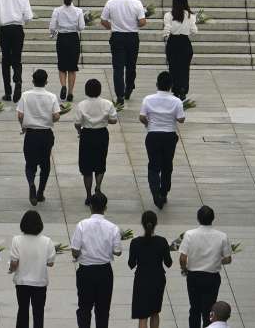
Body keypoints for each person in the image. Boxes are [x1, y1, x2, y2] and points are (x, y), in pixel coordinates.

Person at [70, 193, 122, 328]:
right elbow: (118, 252)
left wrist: (79, 255)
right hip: (104, 272)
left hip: (86, 271)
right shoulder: (113, 228)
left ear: (90, 207)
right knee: (103, 310)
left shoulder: (82, 225)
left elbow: (75, 250)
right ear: (105, 208)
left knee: (84, 308)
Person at [178, 206, 233, 328]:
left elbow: (182, 258)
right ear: (213, 218)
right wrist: (216, 261)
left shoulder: (189, 234)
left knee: (194, 308)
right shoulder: (222, 236)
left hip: (194, 277)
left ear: (198, 218)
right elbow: (228, 259)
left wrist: (184, 269)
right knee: (209, 309)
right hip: (212, 277)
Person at [140, 72, 185, 208]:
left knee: (153, 165)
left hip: (153, 135)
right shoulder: (176, 101)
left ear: (157, 84)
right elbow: (181, 119)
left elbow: (142, 117)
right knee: (167, 165)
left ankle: (155, 192)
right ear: (171, 86)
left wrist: (148, 124)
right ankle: (164, 192)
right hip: (169, 136)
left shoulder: (148, 99)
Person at [101, 0, 147, 104]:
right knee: (131, 65)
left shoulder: (111, 2)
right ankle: (129, 88)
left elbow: (103, 20)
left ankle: (119, 95)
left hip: (117, 36)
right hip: (132, 37)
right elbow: (142, 22)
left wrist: (113, 26)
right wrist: (134, 24)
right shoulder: (137, 3)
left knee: (118, 67)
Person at [17, 69, 61, 206]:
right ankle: (40, 192)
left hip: (31, 134)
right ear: (46, 81)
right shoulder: (52, 97)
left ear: (33, 81)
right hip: (46, 134)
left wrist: (23, 126)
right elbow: (56, 116)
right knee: (45, 165)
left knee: (30, 164)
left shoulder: (25, 95)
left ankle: (31, 183)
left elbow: (20, 115)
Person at [9, 210, 56, 328]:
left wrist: (11, 268)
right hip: (39, 282)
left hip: (22, 282)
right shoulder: (47, 241)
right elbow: (50, 263)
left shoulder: (17, 240)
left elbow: (14, 263)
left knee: (23, 311)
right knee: (38, 313)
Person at [74, 79, 117, 203]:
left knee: (86, 167)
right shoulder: (107, 104)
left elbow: (77, 123)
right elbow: (114, 120)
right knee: (100, 163)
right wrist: (103, 120)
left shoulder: (82, 105)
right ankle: (98, 187)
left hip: (87, 135)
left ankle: (88, 195)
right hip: (102, 134)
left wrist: (79, 131)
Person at [129, 210, 172, 328]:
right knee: (154, 312)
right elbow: (168, 263)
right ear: (156, 223)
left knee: (143, 315)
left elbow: (131, 264)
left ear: (142, 224)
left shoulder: (135, 242)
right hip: (157, 279)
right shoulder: (162, 241)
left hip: (141, 279)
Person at [49, 0, 85, 102]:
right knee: (72, 68)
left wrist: (53, 33)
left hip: (62, 38)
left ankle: (63, 86)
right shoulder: (78, 11)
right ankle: (70, 92)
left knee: (62, 66)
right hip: (73, 38)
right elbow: (81, 27)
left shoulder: (57, 10)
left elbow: (52, 27)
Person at [163, 0, 197, 100]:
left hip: (173, 43)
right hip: (185, 43)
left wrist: (166, 36)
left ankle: (175, 89)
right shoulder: (191, 16)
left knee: (173, 68)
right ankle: (183, 89)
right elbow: (194, 31)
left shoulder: (169, 15)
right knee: (184, 68)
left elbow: (167, 29)